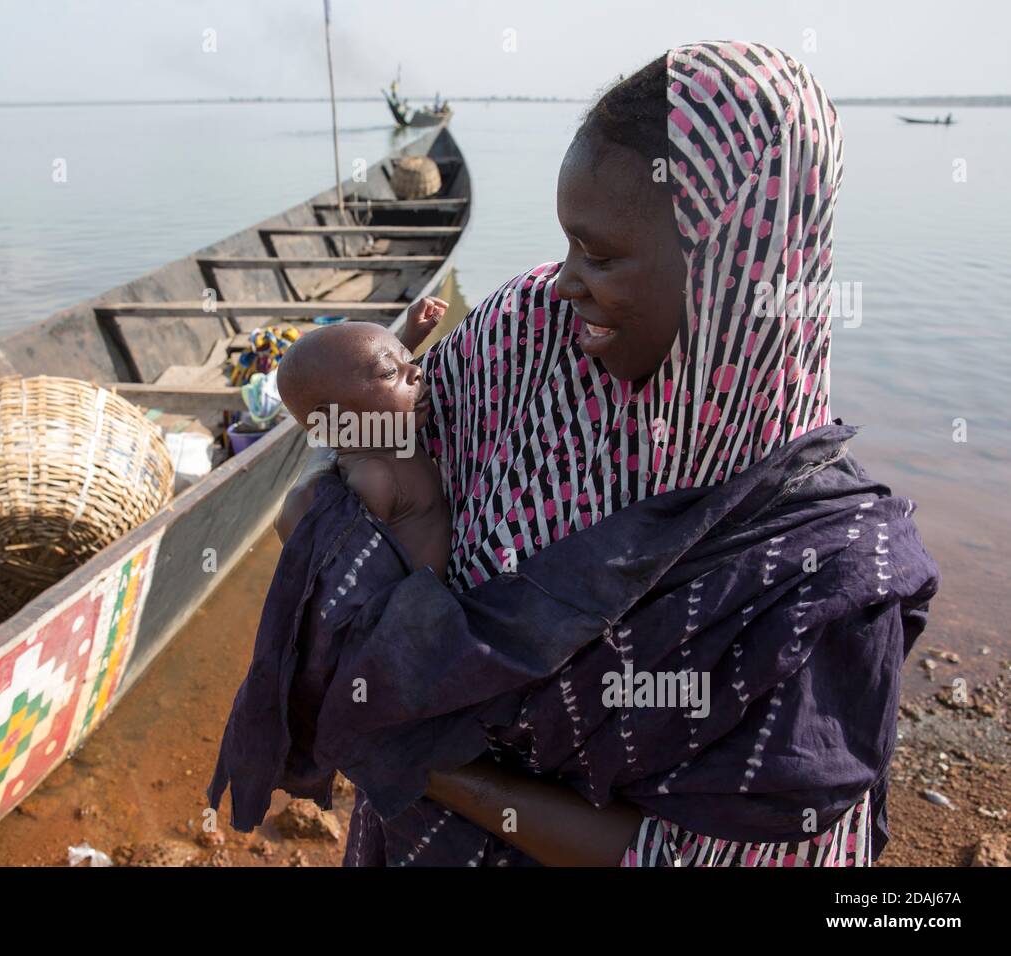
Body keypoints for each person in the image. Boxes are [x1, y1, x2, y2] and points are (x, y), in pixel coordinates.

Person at [245, 40, 938, 867]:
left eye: (602, 256)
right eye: (568, 242)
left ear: (736, 265)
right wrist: (339, 464)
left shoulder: (823, 571)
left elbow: (708, 856)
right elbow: (361, 482)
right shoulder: (521, 342)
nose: (566, 279)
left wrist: (425, 759)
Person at [274, 297, 451, 581]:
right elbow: (345, 571)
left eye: (408, 360)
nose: (417, 371)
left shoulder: (383, 436)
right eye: (391, 372)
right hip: (423, 611)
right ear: (335, 419)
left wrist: (406, 341)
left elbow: (372, 391)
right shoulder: (374, 476)